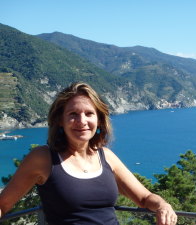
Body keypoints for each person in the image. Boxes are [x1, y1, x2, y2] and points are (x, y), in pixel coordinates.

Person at [0, 82, 177, 225]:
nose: (82, 121)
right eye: (73, 114)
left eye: (89, 114)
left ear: (99, 121)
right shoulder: (43, 158)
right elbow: (3, 204)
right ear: (60, 120)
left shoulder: (106, 156)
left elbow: (145, 197)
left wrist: (163, 205)